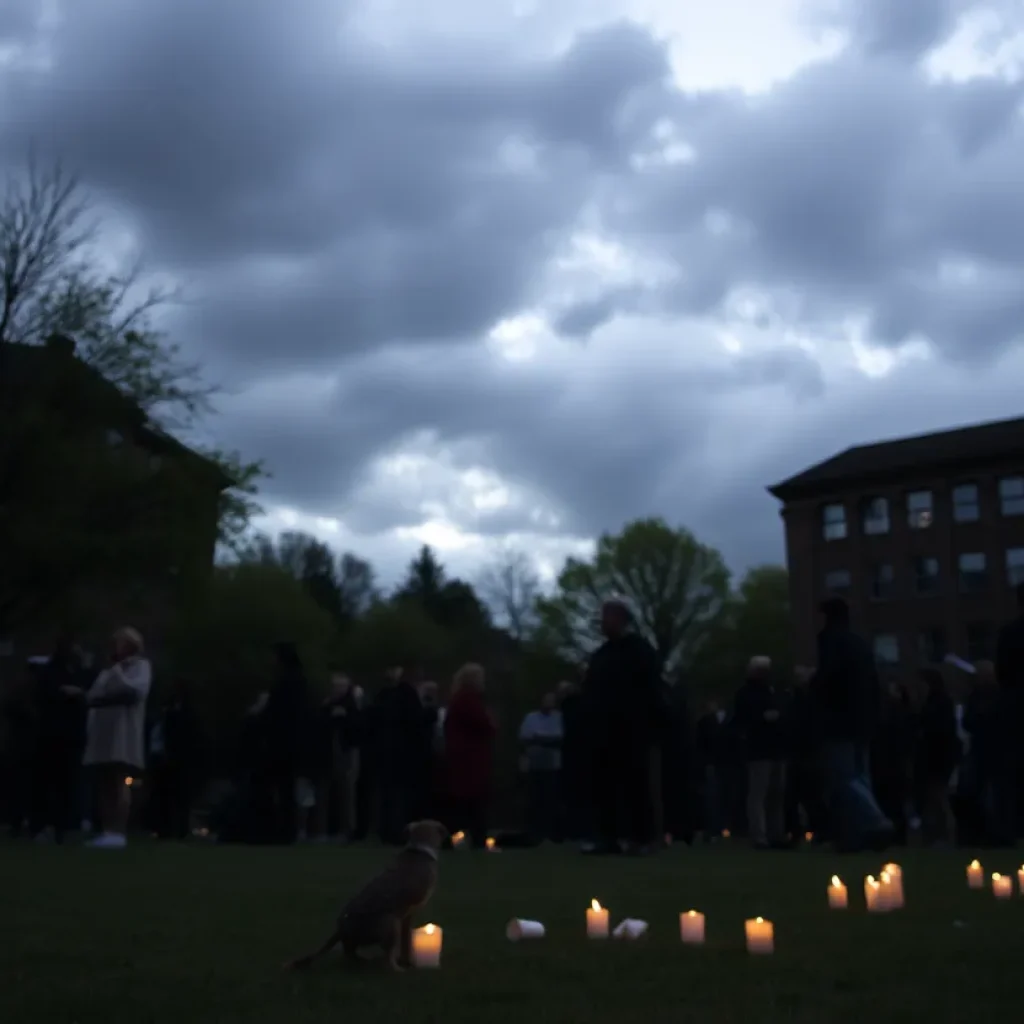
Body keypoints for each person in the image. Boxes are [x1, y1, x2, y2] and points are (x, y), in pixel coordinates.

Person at [810, 596, 893, 852]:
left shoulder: (831, 641)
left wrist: (812, 684)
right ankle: (858, 834)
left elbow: (829, 678)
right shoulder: (859, 643)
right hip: (862, 720)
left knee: (844, 777)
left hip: (839, 720)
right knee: (859, 776)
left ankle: (874, 820)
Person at [581, 599, 663, 855]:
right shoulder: (601, 655)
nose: (603, 622)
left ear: (622, 620)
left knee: (635, 783)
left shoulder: (640, 651)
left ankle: (642, 838)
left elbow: (651, 690)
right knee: (605, 785)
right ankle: (609, 837)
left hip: (632, 729)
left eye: (608, 617)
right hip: (604, 732)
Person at [76, 627, 153, 849]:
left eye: (119, 643)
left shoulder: (140, 667)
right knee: (104, 781)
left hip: (123, 731)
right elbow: (94, 696)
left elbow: (134, 691)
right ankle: (107, 830)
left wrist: (116, 675)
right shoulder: (108, 671)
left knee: (119, 779)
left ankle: (118, 832)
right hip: (103, 730)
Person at [29, 637, 88, 843]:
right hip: (54, 737)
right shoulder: (53, 675)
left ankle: (59, 827)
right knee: (52, 783)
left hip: (66, 738)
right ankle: (47, 826)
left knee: (64, 784)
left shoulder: (74, 675)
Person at [733, 656, 788, 849]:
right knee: (760, 794)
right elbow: (742, 720)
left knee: (774, 794)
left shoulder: (771, 692)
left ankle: (774, 834)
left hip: (773, 749)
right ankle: (760, 835)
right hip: (760, 750)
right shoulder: (748, 694)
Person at [443, 663, 496, 847]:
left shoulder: (460, 699)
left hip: (465, 757)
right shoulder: (467, 700)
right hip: (469, 759)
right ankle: (474, 838)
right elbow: (484, 724)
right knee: (472, 800)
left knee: (465, 800)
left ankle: (462, 837)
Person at [148, 678, 205, 840]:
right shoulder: (182, 714)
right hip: (175, 760)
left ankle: (173, 829)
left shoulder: (175, 715)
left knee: (173, 796)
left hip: (175, 760)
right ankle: (173, 829)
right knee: (174, 797)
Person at [915, 667, 960, 847]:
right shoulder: (938, 702)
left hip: (937, 757)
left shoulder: (937, 704)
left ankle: (945, 836)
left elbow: (939, 730)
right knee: (935, 798)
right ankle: (938, 835)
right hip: (936, 757)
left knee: (939, 798)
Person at [314, 671, 362, 842]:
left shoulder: (352, 706)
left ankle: (346, 831)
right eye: (336, 686)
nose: (338, 689)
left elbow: (359, 731)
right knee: (324, 792)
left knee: (346, 793)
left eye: (341, 686)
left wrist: (345, 718)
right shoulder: (326, 706)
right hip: (327, 754)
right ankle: (322, 831)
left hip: (346, 753)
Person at [994, 582, 1024, 842]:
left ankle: (1012, 828)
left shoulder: (1009, 633)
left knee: (1013, 771)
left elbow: (1002, 672)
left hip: (1015, 707)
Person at [518, 692, 564, 843]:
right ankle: (534, 832)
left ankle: (552, 832)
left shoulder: (559, 717)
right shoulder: (531, 718)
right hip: (535, 764)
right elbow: (526, 737)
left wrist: (541, 739)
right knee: (535, 799)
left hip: (553, 765)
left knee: (551, 799)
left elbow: (561, 738)